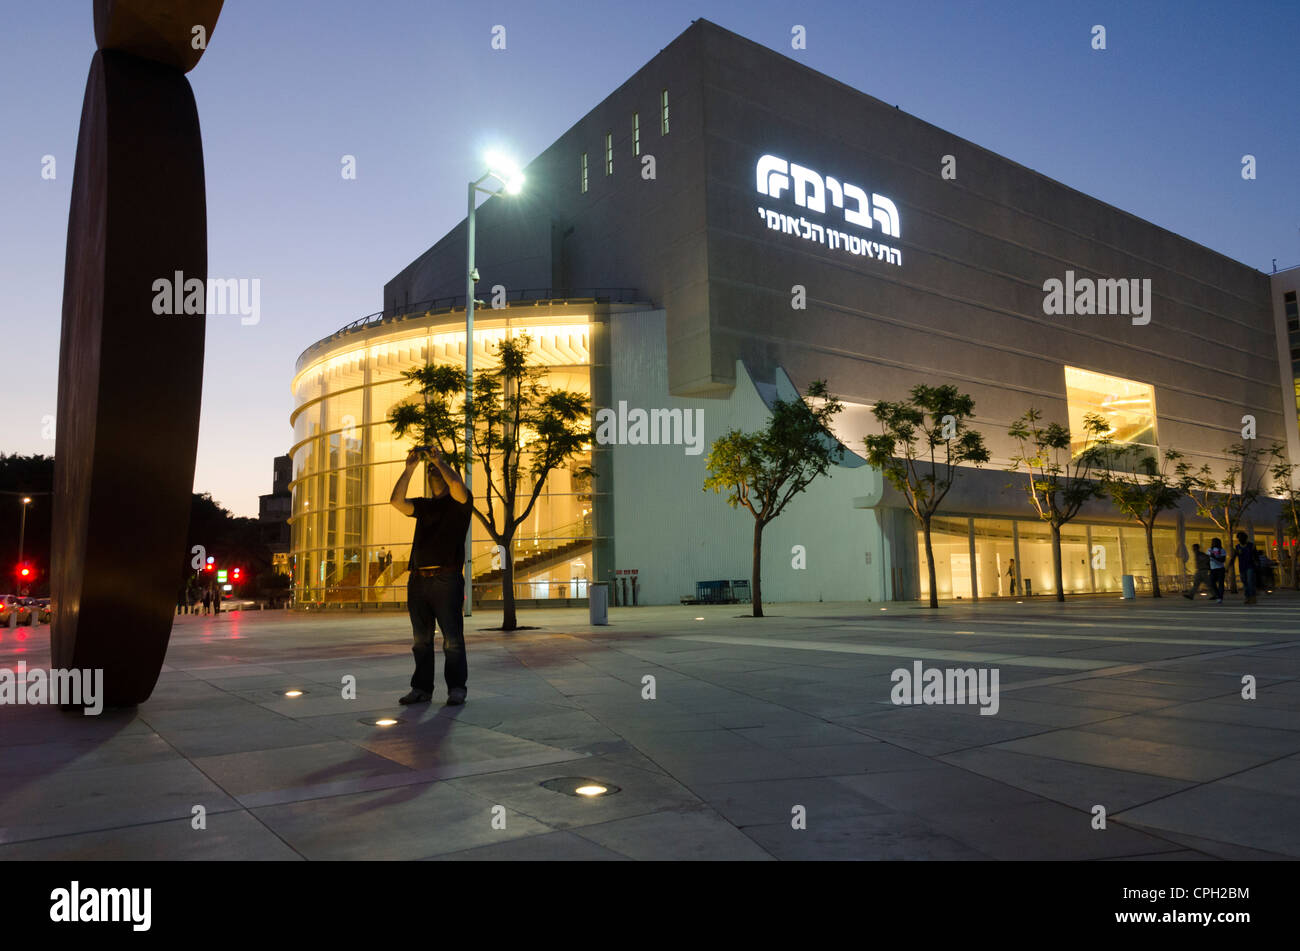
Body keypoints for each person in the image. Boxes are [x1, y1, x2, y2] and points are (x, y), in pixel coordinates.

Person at [391, 446, 473, 705]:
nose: (432, 472)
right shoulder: (424, 506)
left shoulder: (460, 502)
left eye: (436, 470)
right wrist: (410, 468)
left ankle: (456, 688)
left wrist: (439, 461)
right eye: (431, 470)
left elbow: (458, 485)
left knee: (452, 639)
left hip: (446, 580)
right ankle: (421, 689)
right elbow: (396, 501)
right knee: (421, 641)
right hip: (418, 580)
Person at [1235, 531, 1258, 605]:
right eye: (1239, 538)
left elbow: (1256, 556)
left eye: (1242, 538)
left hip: (1250, 566)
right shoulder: (1237, 547)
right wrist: (1229, 565)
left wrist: (1257, 565)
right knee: (1245, 583)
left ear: (1245, 538)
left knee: (1250, 582)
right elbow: (1234, 556)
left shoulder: (1251, 546)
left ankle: (1252, 597)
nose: (1240, 539)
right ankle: (1247, 597)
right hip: (1242, 567)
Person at [1207, 538, 1227, 603]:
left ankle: (1220, 597)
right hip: (1212, 569)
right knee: (1211, 583)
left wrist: (1214, 557)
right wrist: (1208, 567)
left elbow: (1223, 560)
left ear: (1219, 543)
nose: (1214, 543)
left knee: (1221, 583)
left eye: (1216, 542)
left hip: (1220, 569)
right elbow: (1207, 559)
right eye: (1213, 542)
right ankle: (1217, 595)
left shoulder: (1222, 550)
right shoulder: (1209, 550)